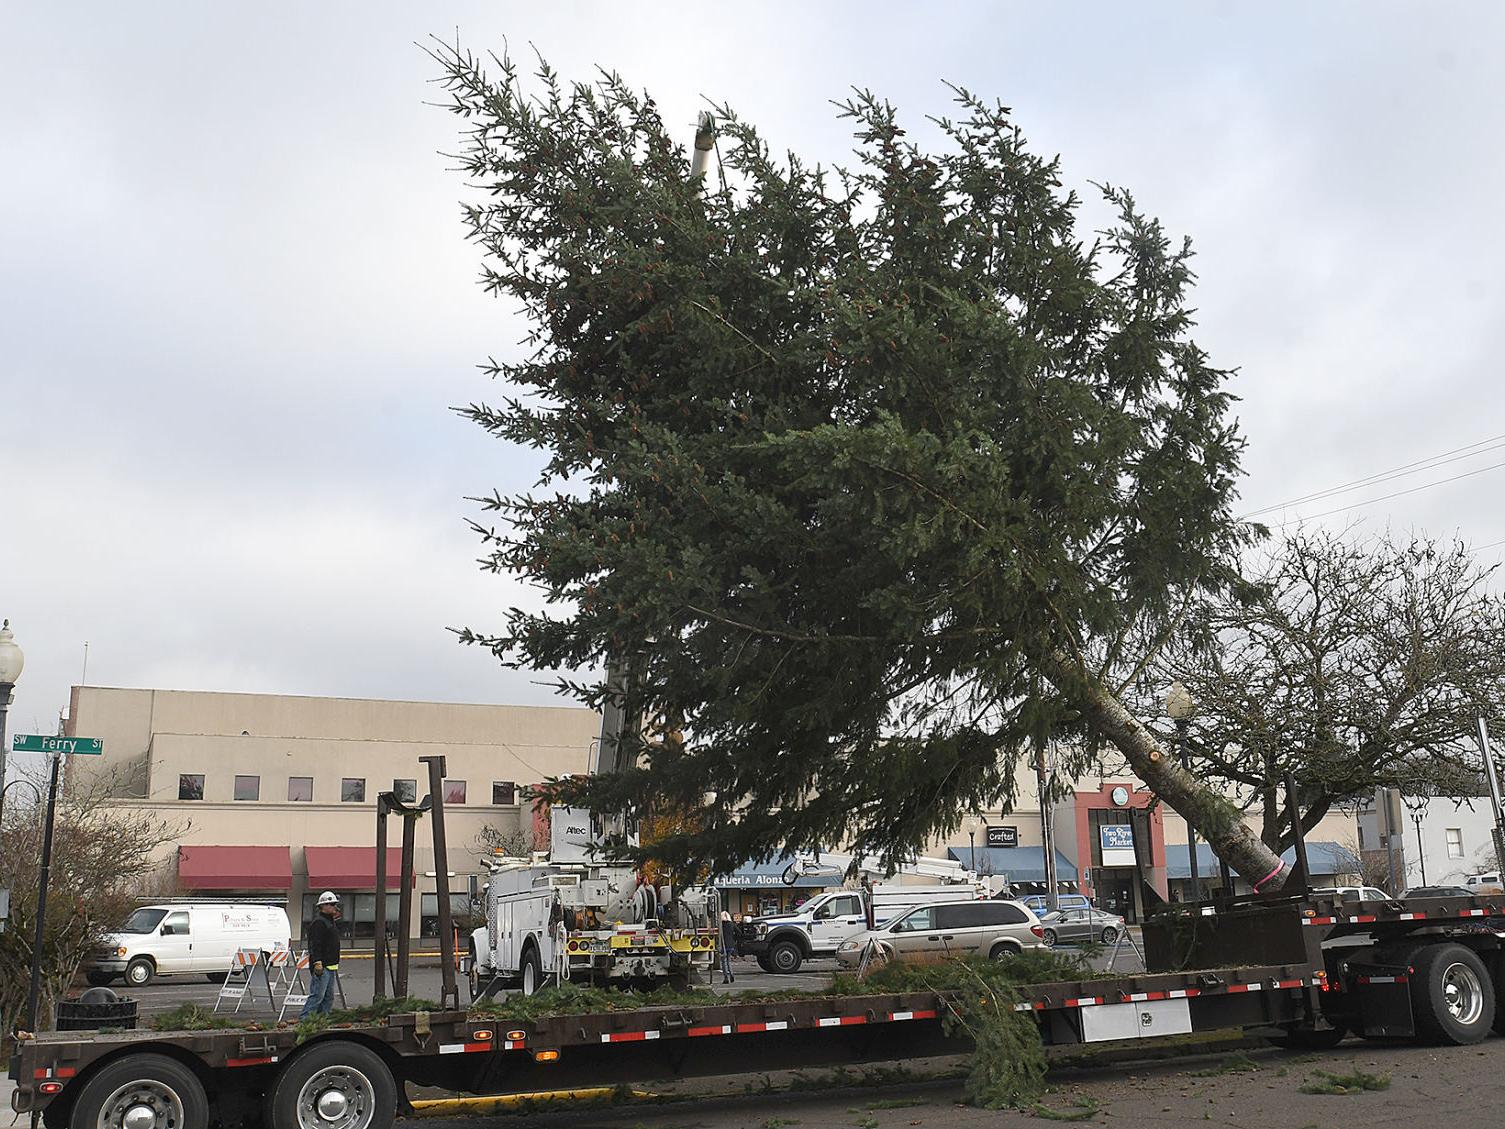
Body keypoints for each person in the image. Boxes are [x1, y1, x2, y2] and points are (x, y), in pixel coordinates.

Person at [302, 891, 342, 1018]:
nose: (333, 906)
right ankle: (306, 1019)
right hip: (322, 966)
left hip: (330, 966)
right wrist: (317, 962)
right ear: (323, 906)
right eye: (330, 904)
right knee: (317, 996)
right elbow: (315, 944)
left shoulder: (329, 922)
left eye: (334, 904)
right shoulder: (319, 923)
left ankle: (321, 1020)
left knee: (328, 997)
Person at [719, 909, 737, 984]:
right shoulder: (732, 924)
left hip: (723, 945)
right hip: (731, 945)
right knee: (729, 960)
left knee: (724, 961)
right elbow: (739, 933)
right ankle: (731, 974)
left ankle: (726, 977)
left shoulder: (721, 925)